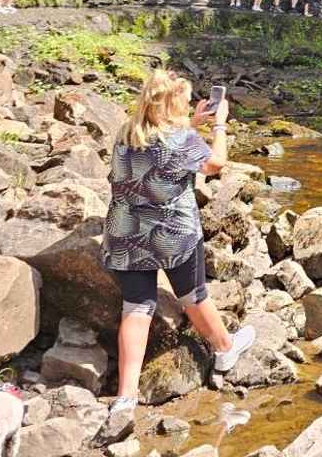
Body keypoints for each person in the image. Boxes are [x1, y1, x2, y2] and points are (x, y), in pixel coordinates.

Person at [102, 70, 255, 416]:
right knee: (193, 295)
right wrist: (218, 126)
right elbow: (215, 164)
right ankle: (224, 349)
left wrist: (191, 123)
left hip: (126, 230)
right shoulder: (180, 139)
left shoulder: (128, 132)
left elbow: (164, 145)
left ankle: (125, 397)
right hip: (172, 234)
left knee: (137, 307)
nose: (190, 106)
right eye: (185, 103)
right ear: (172, 105)